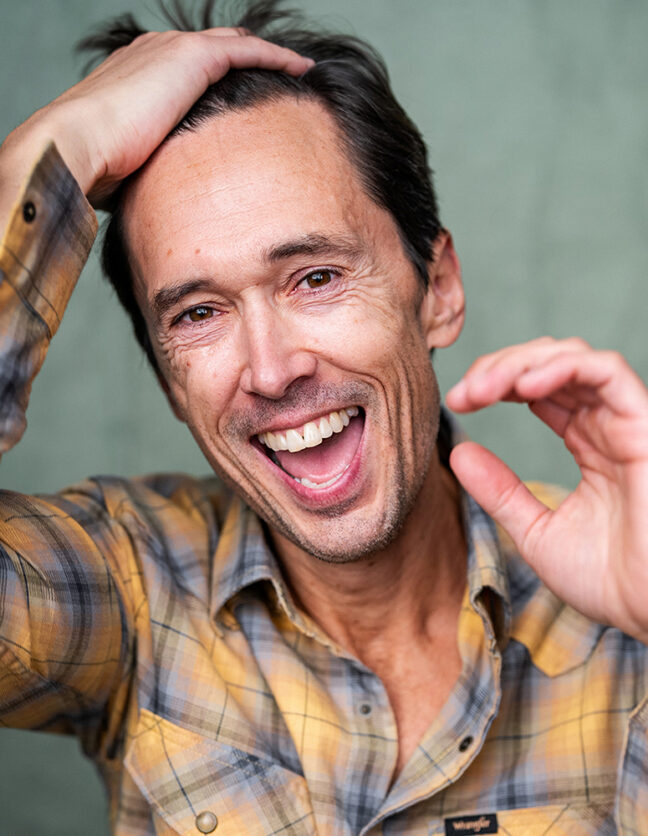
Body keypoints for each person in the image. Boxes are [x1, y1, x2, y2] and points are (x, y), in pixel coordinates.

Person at [1, 1, 647, 833]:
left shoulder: (623, 587)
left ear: (437, 290)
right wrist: (68, 140)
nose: (272, 371)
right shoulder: (131, 590)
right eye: (198, 314)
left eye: (315, 277)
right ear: (168, 381)